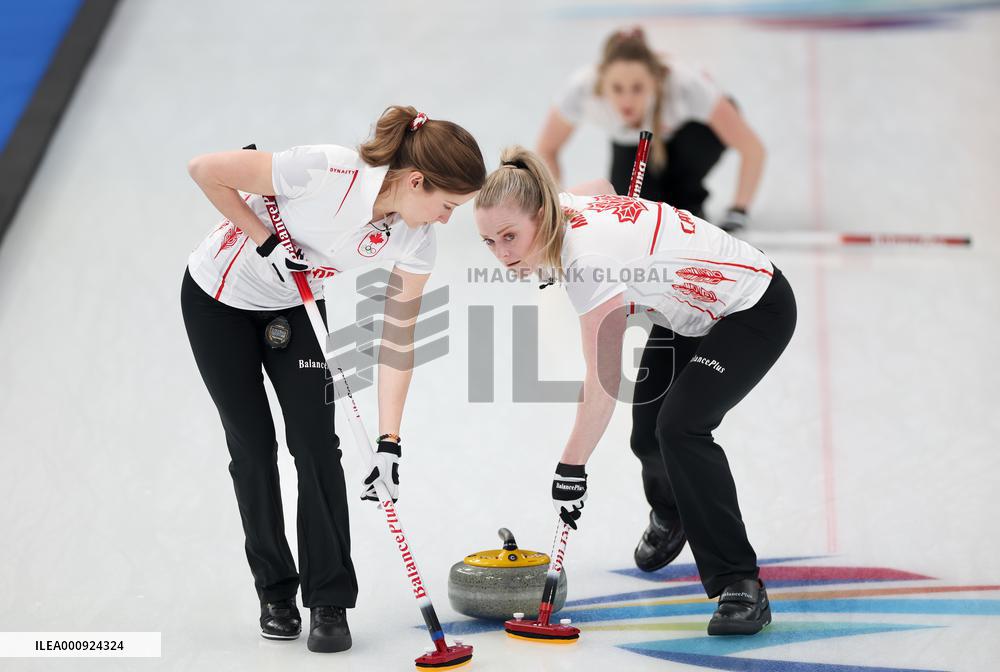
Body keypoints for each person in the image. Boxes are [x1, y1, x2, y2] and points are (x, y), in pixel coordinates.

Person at [181, 106, 485, 652]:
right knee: (253, 447)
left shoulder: (415, 239)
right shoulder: (326, 171)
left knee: (317, 447)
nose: (446, 220)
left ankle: (329, 600)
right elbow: (205, 169)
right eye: (447, 206)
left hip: (295, 309)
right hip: (218, 302)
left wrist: (390, 441)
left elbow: (398, 341)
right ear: (417, 181)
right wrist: (264, 240)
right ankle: (275, 592)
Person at [473, 146, 795, 635]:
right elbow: (602, 193)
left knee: (681, 427)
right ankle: (675, 513)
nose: (502, 254)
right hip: (686, 310)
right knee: (647, 435)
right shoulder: (560, 202)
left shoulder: (588, 262)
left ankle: (741, 584)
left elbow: (602, 384)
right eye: (489, 241)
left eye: (510, 236)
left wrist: (571, 466)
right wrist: (638, 234)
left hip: (751, 307)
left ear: (542, 215)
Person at [536, 27, 765, 232]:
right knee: (634, 214)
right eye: (617, 89)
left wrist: (739, 209)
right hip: (631, 143)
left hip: (687, 137)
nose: (627, 100)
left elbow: (752, 149)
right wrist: (558, 207)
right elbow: (547, 148)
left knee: (690, 160)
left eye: (637, 88)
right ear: (601, 82)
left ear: (656, 82)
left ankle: (688, 200)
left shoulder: (684, 84)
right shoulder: (582, 88)